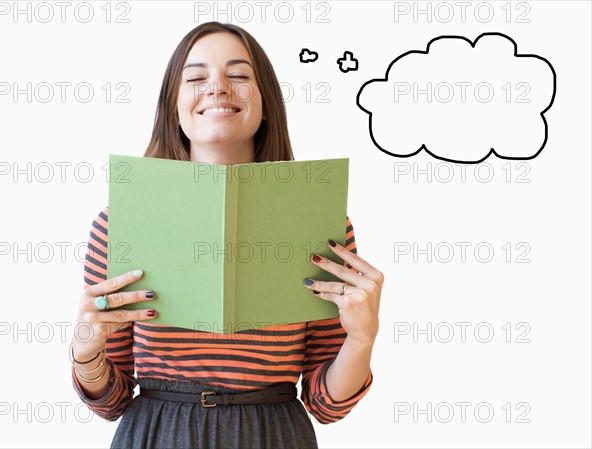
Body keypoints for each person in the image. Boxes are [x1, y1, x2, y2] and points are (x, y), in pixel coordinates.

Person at [70, 21, 384, 449]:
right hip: (157, 433)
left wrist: (363, 336)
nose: (217, 88)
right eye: (196, 78)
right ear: (173, 107)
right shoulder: (121, 221)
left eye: (238, 76)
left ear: (267, 103)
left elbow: (327, 405)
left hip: (273, 434)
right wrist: (86, 349)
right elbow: (111, 401)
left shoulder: (320, 221)